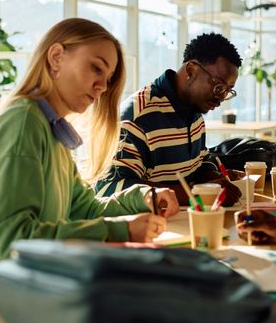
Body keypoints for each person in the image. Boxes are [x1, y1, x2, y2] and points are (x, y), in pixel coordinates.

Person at [0, 18, 178, 304]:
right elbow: (12, 240)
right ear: (56, 57)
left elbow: (84, 209)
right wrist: (121, 230)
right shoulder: (22, 123)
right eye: (96, 68)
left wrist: (143, 197)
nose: (102, 86)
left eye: (108, 78)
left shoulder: (52, 133)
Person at [95, 33, 242, 206]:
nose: (220, 98)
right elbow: (109, 188)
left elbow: (198, 163)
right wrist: (194, 193)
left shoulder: (195, 113)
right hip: (151, 229)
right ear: (191, 70)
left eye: (227, 91)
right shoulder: (137, 118)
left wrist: (216, 179)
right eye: (218, 86)